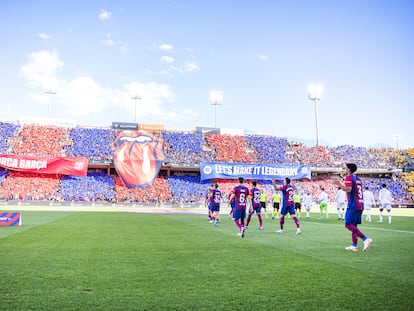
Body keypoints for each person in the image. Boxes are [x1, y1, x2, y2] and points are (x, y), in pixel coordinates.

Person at [335, 163, 373, 252]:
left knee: (348, 224)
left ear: (348, 170)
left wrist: (339, 184)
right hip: (360, 203)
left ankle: (365, 239)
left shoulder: (349, 177)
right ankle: (354, 245)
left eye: (345, 168)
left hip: (353, 204)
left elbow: (348, 189)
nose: (344, 169)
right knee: (353, 225)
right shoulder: (358, 178)